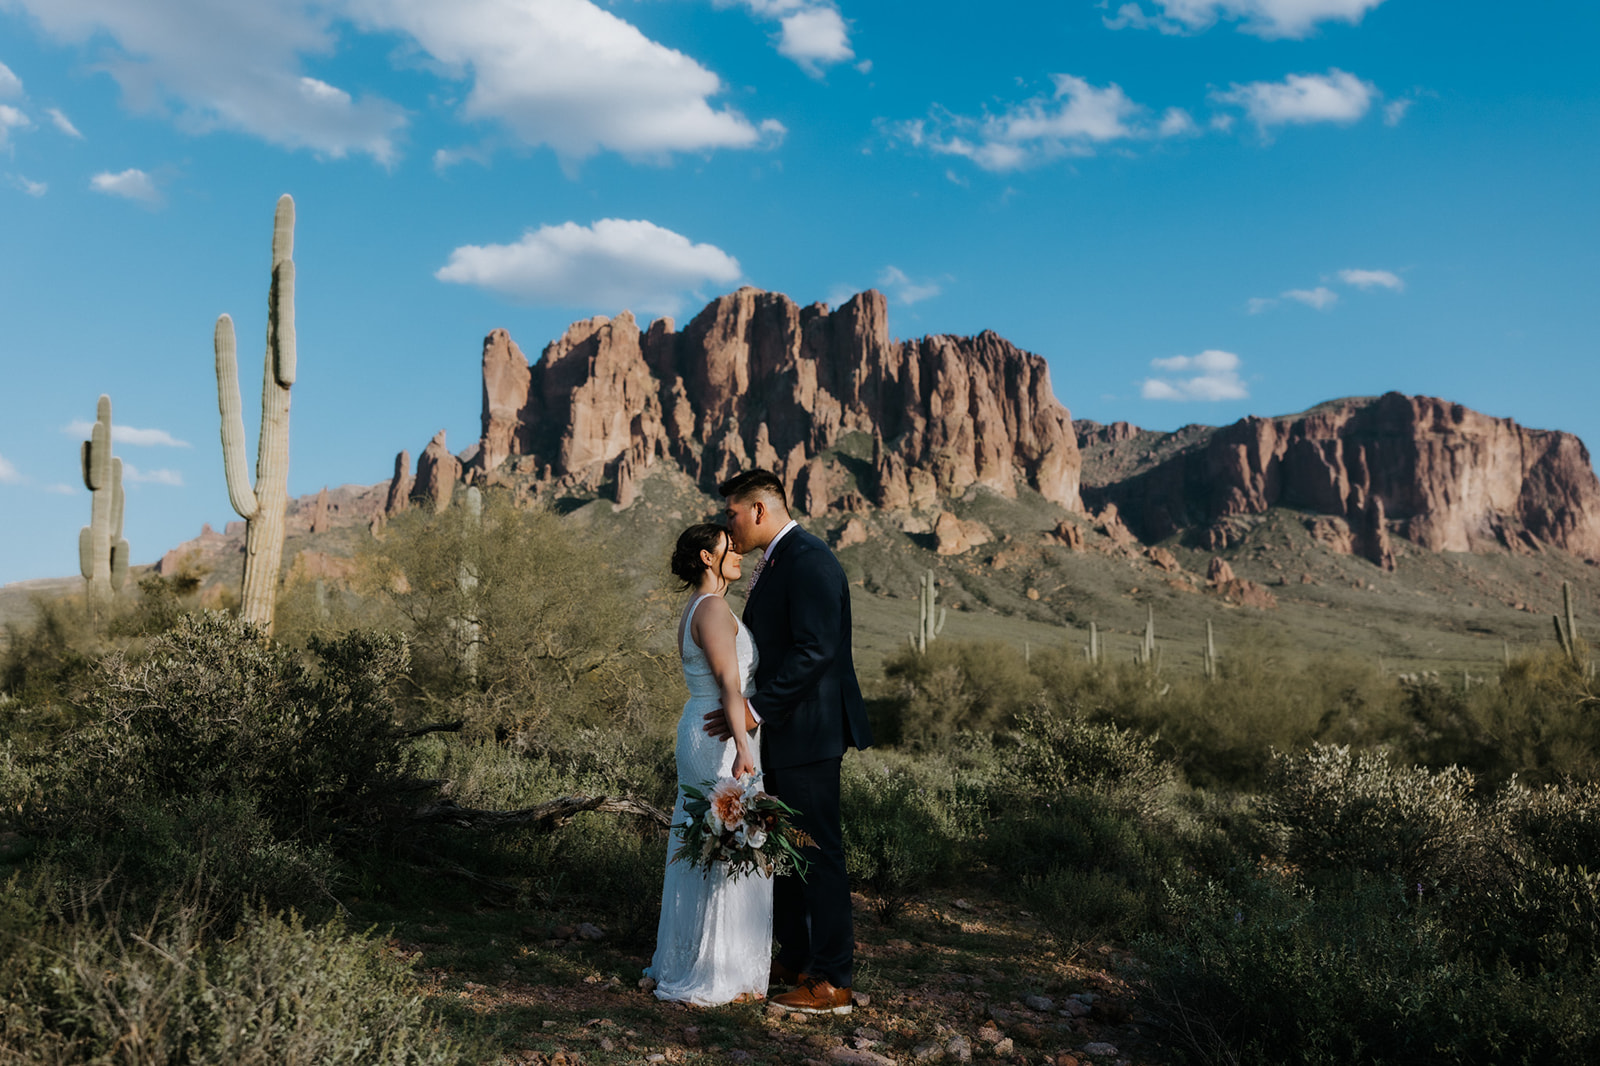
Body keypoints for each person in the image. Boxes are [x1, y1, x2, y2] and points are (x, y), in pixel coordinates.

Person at [705, 469, 872, 1015]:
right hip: (789, 734)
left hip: (811, 731)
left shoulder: (809, 559)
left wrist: (752, 712)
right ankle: (797, 958)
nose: (726, 523)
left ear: (758, 510)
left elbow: (815, 650)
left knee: (817, 851)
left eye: (731, 512)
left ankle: (831, 980)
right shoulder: (780, 559)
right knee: (789, 851)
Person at [645, 523, 772, 1006]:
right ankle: (718, 968)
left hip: (707, 726)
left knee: (709, 839)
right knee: (724, 839)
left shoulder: (699, 607)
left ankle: (690, 958)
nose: (737, 551)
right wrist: (743, 748)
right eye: (728, 548)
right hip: (720, 733)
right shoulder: (714, 607)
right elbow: (728, 685)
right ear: (706, 557)